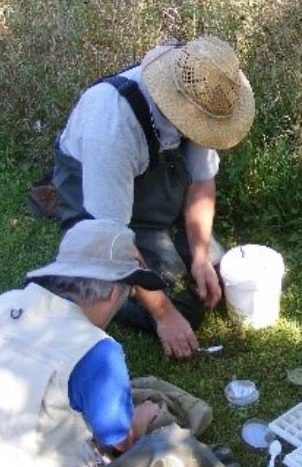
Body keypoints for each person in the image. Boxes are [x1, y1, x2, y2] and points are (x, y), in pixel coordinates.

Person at [0, 219, 243, 467]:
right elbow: (122, 441)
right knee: (174, 450)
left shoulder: (3, 305)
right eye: (130, 290)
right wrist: (144, 415)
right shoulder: (96, 351)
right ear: (111, 292)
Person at [52, 36, 255, 358]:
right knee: (184, 309)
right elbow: (112, 236)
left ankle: (163, 246)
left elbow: (202, 183)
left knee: (222, 276)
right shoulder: (113, 124)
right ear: (174, 104)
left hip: (151, 195)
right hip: (102, 210)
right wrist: (164, 315)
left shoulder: (203, 97)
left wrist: (201, 257)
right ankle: (91, 281)